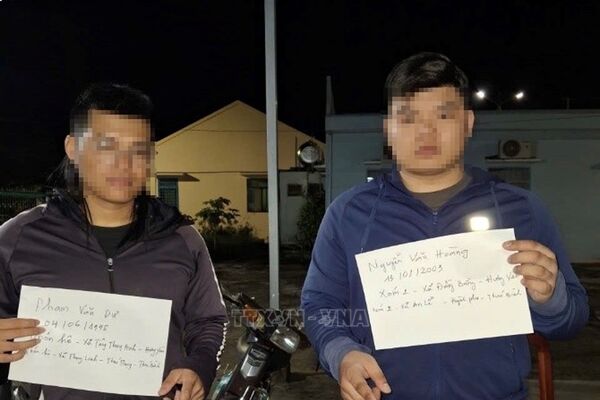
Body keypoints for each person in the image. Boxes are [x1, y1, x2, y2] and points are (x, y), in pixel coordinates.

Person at [301, 52, 589, 400]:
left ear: (468, 122)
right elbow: (320, 305)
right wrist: (341, 353)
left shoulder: (522, 209)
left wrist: (551, 299)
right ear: (388, 128)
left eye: (443, 115)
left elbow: (572, 319)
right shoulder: (349, 213)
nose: (426, 131)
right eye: (408, 117)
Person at [0, 83, 228, 400]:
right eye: (107, 146)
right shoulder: (17, 238)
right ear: (73, 148)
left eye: (139, 150)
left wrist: (199, 367)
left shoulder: (182, 239)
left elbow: (209, 321)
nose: (125, 164)